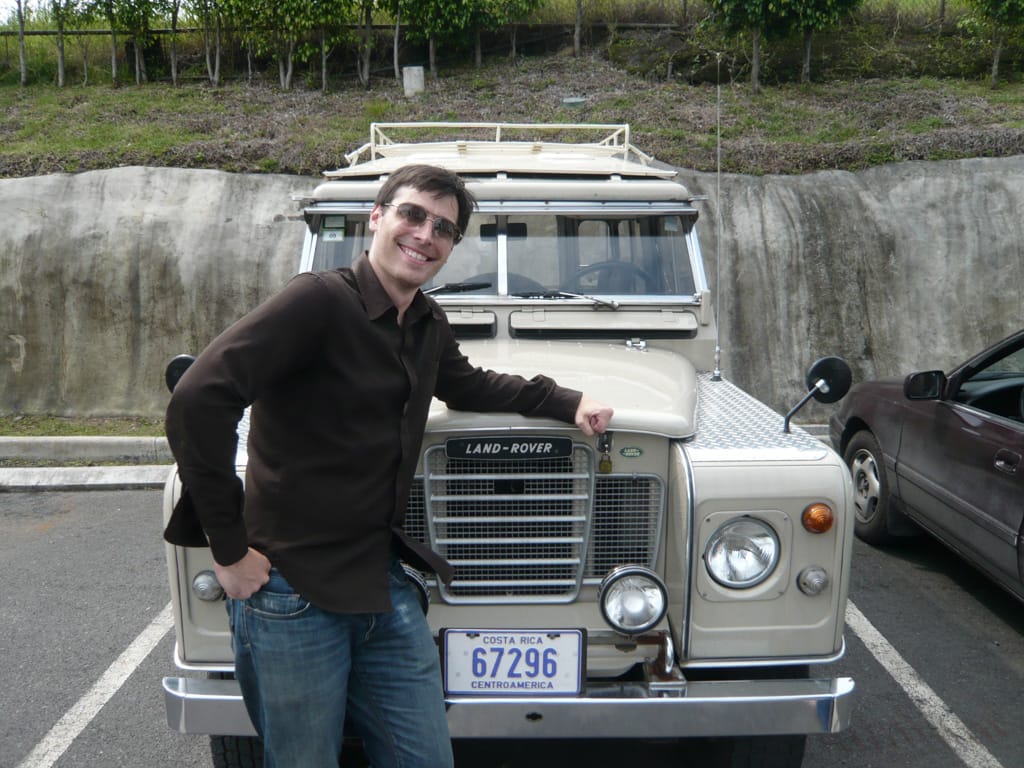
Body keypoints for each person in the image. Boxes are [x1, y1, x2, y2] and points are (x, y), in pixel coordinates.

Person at [163, 164, 613, 768]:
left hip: (381, 585)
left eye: (445, 229)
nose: (426, 235)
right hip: (292, 593)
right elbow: (198, 398)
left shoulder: (424, 322)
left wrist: (567, 401)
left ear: (452, 247)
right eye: (412, 215)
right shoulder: (316, 301)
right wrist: (228, 550)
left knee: (424, 757)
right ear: (376, 218)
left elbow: (468, 385)